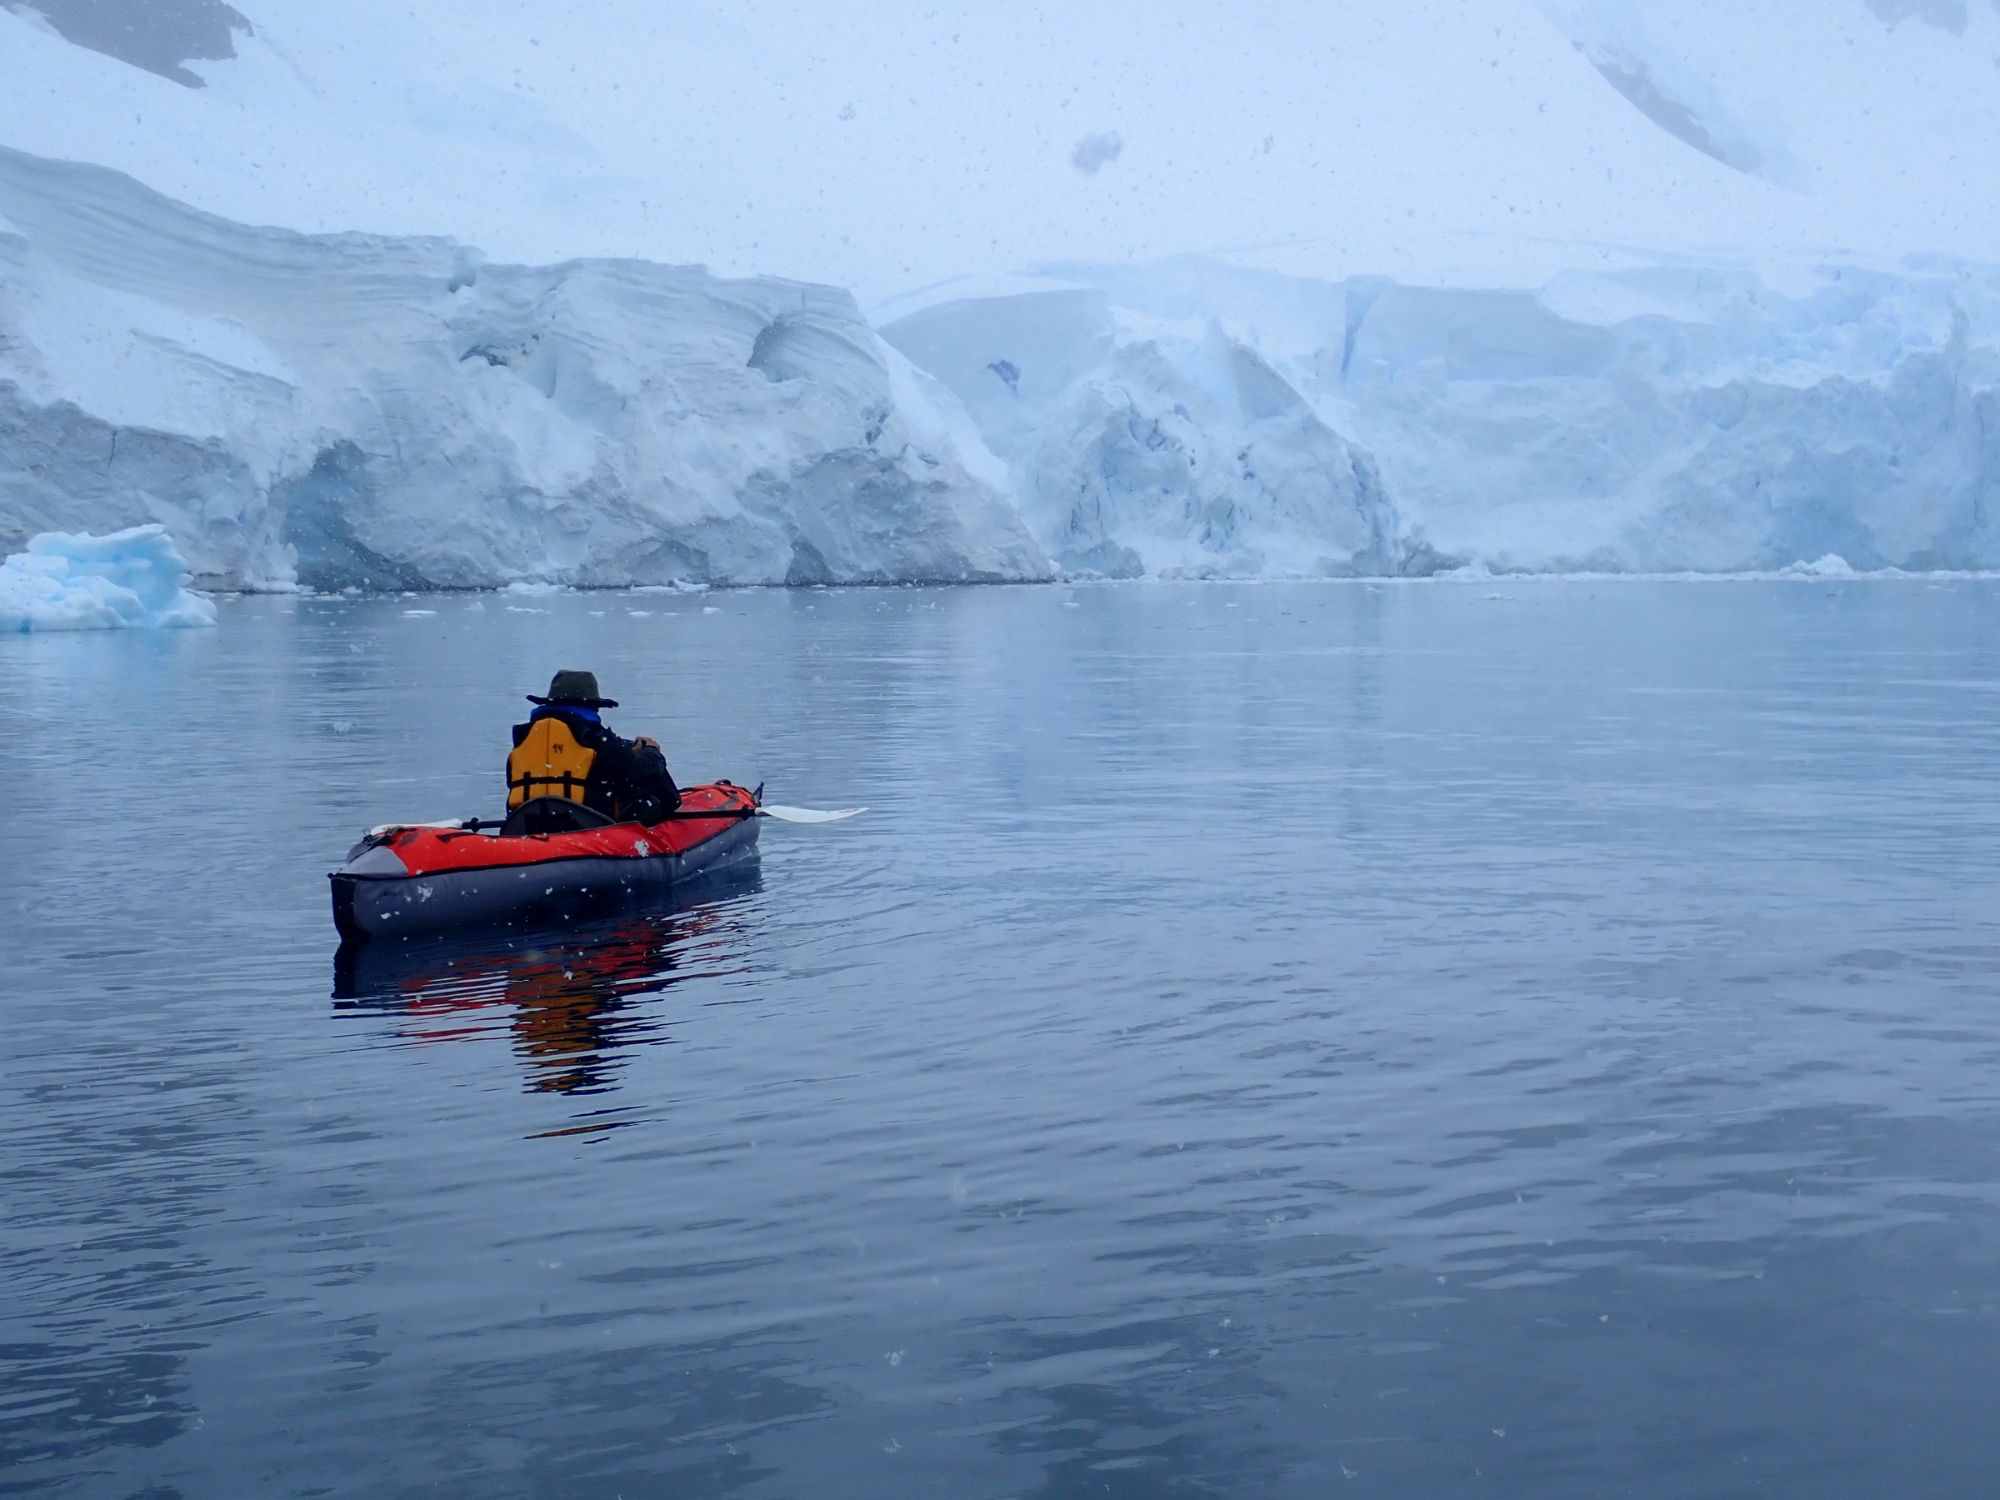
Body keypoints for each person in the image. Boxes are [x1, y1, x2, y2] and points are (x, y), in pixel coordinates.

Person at [506, 670, 681, 825]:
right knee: (648, 784)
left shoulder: (524, 738)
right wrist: (651, 752)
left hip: (528, 823)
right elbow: (637, 769)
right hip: (586, 824)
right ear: (590, 706)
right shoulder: (595, 738)